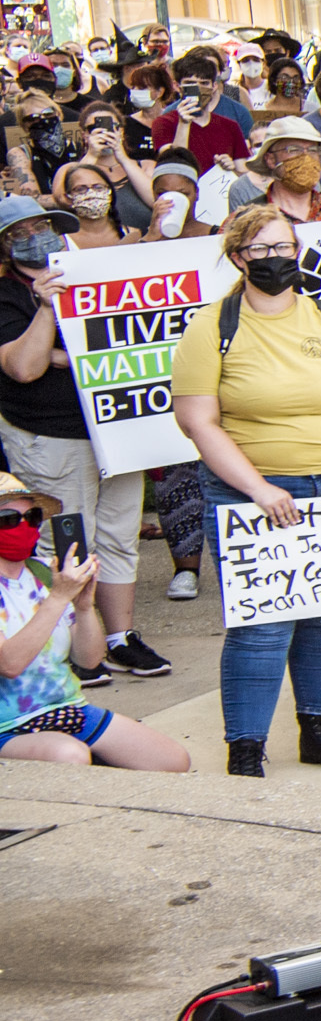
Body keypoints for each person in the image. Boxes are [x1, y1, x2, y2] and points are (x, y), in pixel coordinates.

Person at [167, 206, 321, 777]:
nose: (275, 259)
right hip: (249, 495)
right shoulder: (211, 327)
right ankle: (246, 748)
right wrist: (259, 488)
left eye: (284, 246)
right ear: (238, 258)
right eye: (261, 250)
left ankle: (318, 728)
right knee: (261, 626)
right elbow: (199, 422)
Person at [0, 194, 155, 683]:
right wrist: (46, 310)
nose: (35, 237)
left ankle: (118, 638)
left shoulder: (92, 276)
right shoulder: (6, 296)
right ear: (4, 246)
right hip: (51, 434)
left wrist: (62, 357)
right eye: (20, 232)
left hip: (117, 428)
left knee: (117, 536)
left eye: (43, 225)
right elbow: (25, 367)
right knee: (66, 539)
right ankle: (59, 641)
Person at [0, 471, 185, 768]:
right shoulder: (55, 586)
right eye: (8, 519)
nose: (23, 526)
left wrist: (84, 607)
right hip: (6, 724)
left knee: (173, 761)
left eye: (32, 517)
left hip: (65, 709)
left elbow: (88, 660)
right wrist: (59, 598)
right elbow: (9, 664)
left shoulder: (43, 574)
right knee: (68, 756)